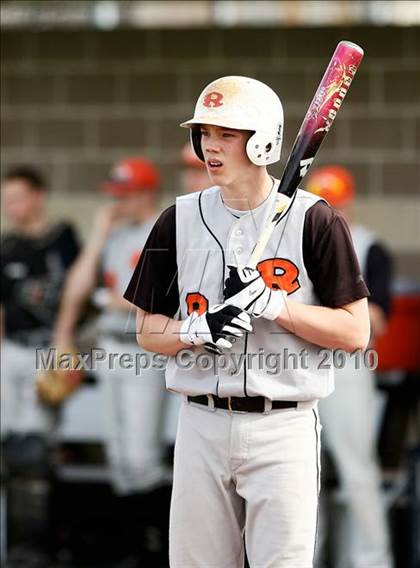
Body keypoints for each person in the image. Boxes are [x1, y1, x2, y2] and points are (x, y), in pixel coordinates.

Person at [124, 76, 371, 568]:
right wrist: (197, 330)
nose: (210, 147)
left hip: (284, 425)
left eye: (227, 134)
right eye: (205, 134)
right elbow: (147, 331)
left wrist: (276, 306)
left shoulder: (315, 219)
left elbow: (355, 332)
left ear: (261, 140)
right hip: (200, 422)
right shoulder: (177, 219)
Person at [53, 157, 170, 565]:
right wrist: (100, 235)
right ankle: (131, 546)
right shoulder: (116, 236)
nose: (118, 202)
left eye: (126, 194)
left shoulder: (164, 230)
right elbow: (81, 287)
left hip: (144, 355)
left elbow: (154, 298)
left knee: (141, 456)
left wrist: (111, 302)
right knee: (119, 458)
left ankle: (154, 546)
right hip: (110, 351)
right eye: (116, 194)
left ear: (145, 193)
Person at [307, 166, 394, 568]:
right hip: (302, 365)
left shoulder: (368, 246)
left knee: (357, 470)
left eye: (336, 205)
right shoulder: (299, 244)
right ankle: (304, 558)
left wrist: (337, 308)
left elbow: (378, 320)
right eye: (325, 207)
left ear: (350, 202)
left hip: (348, 366)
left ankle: (372, 560)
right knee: (305, 475)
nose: (332, 215)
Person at [1, 166, 80, 460]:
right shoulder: (8, 246)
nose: (11, 205)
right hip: (12, 346)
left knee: (36, 442)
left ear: (38, 197)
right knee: (8, 437)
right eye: (6, 199)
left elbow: (79, 290)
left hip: (48, 346)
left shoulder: (62, 238)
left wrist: (66, 344)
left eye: (18, 197)